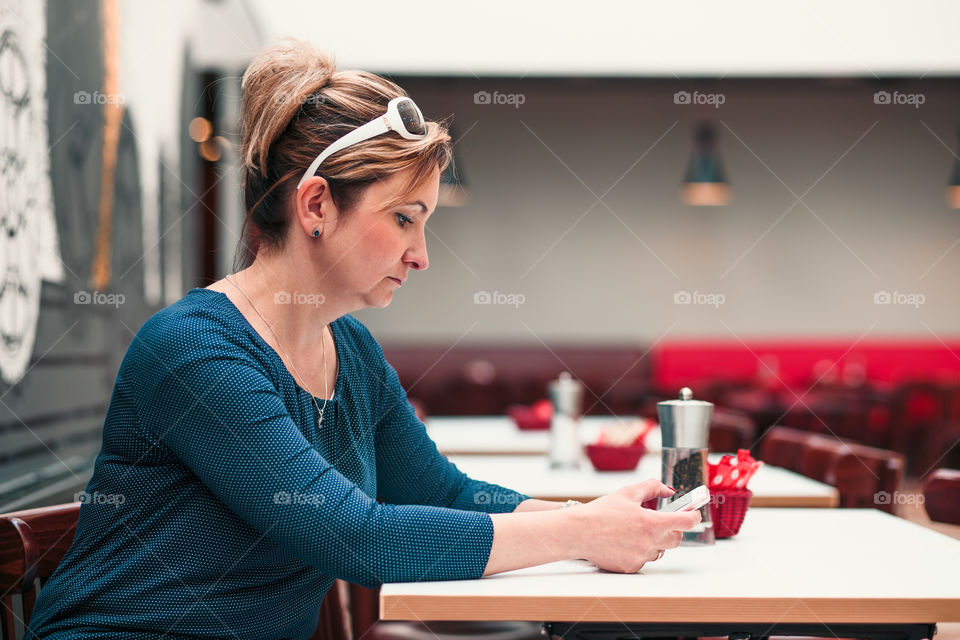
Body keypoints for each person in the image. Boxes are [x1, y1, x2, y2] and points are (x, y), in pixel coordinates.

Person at [26, 40, 699, 640]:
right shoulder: (194, 351)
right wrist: (580, 533)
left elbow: (444, 494)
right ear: (316, 205)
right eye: (404, 219)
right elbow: (358, 538)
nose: (421, 254)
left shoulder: (350, 353)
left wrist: (601, 518)